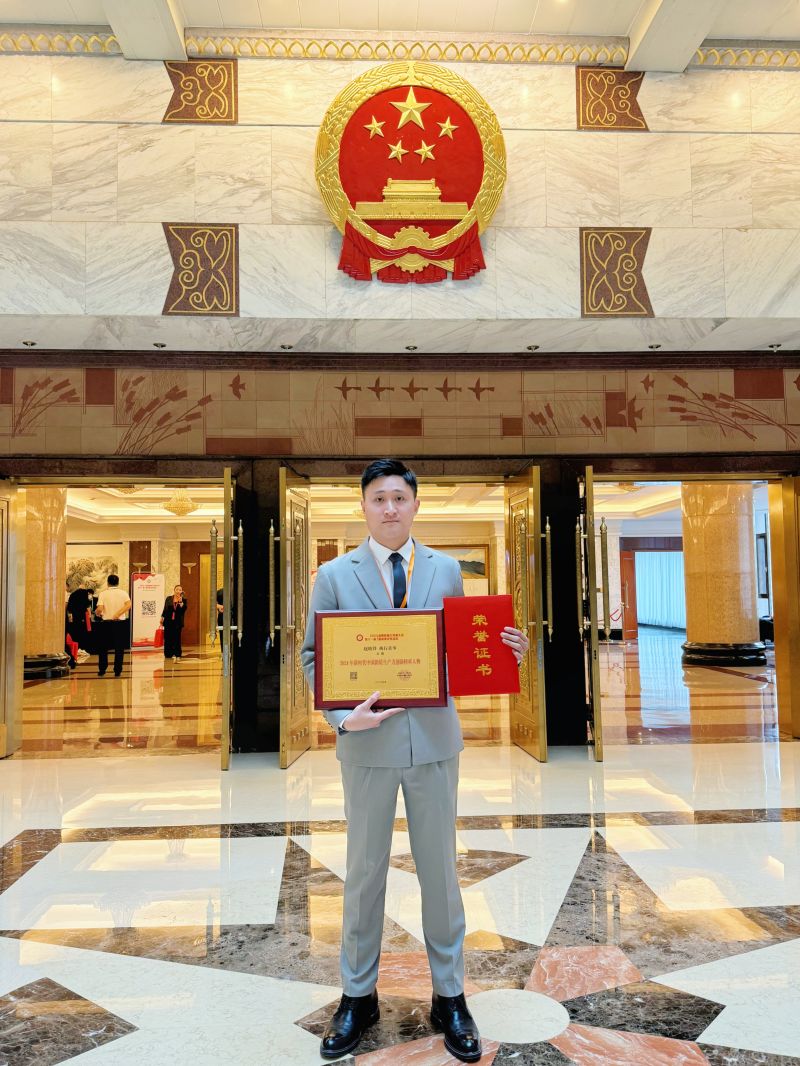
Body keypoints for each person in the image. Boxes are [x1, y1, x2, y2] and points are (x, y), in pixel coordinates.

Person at [301, 459, 529, 1063]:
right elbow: (312, 657)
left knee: (440, 873)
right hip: (367, 744)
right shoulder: (334, 575)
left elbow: (464, 649)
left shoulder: (447, 569)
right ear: (363, 506)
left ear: (416, 504)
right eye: (378, 498)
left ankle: (450, 995)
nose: (389, 508)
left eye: (399, 497)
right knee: (364, 873)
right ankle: (358, 996)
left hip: (432, 743)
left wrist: (506, 651)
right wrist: (341, 718)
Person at [95, 574, 131, 678]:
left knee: (103, 648)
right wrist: (118, 614)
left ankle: (102, 669)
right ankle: (117, 670)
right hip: (120, 624)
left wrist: (97, 612)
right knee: (119, 648)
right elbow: (129, 604)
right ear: (118, 582)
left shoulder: (103, 594)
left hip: (106, 624)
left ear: (108, 583)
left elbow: (100, 609)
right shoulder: (123, 593)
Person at [66, 581, 93, 660]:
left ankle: (77, 649)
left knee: (76, 632)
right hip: (84, 616)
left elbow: (69, 608)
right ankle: (85, 648)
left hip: (76, 617)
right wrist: (90, 615)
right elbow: (88, 605)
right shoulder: (86, 593)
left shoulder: (72, 594)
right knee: (85, 632)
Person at [160, 584, 188, 661]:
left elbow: (183, 610)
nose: (178, 591)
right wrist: (162, 617)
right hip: (168, 621)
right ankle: (168, 653)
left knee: (177, 638)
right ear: (174, 590)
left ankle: (177, 653)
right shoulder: (169, 598)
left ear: (181, 591)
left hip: (177, 622)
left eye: (180, 590)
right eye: (177, 589)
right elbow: (165, 609)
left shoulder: (184, 600)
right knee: (168, 637)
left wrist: (181, 602)